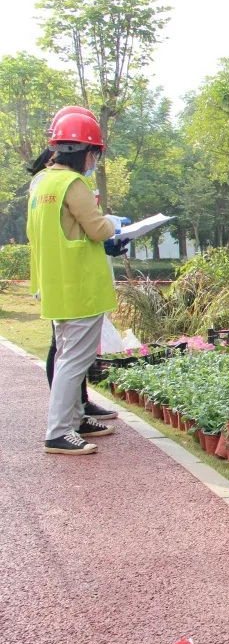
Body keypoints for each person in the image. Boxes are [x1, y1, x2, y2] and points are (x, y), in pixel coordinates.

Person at [27, 111, 127, 455]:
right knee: (74, 360)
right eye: (94, 154)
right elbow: (98, 229)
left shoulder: (42, 184)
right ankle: (58, 431)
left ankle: (73, 421)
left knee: (67, 354)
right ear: (84, 151)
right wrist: (118, 227)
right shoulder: (73, 184)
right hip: (81, 286)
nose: (93, 161)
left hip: (57, 283)